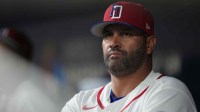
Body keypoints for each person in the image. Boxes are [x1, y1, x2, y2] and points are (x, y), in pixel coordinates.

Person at [61, 1, 197, 112]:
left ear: (149, 44)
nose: (113, 43)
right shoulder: (81, 102)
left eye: (125, 34)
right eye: (108, 35)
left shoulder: (168, 92)